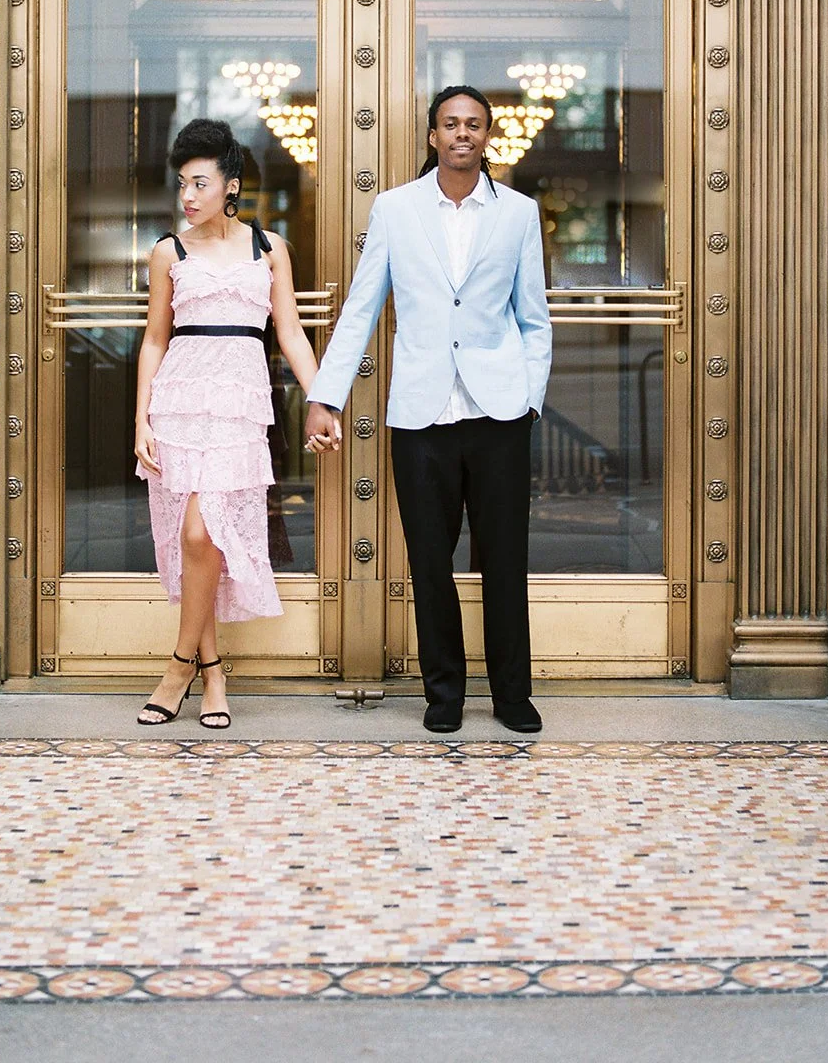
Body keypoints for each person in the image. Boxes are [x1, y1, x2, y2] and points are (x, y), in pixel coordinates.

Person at [305, 86, 551, 734]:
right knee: (428, 563)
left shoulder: (518, 213)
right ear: (432, 136)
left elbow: (533, 318)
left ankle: (510, 695)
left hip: (499, 415)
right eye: (450, 124)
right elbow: (360, 308)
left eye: (473, 125)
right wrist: (324, 396)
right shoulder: (394, 210)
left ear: (487, 136)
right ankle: (443, 694)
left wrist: (529, 399)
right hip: (419, 418)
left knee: (504, 560)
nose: (462, 134)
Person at [134, 119, 337, 728]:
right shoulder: (167, 252)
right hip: (178, 405)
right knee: (194, 540)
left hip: (241, 409)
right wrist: (140, 418)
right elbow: (153, 340)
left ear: (230, 185)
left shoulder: (269, 249)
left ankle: (178, 667)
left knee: (203, 536)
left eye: (199, 183)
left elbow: (291, 332)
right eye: (181, 185)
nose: (187, 197)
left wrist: (321, 399)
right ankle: (213, 672)